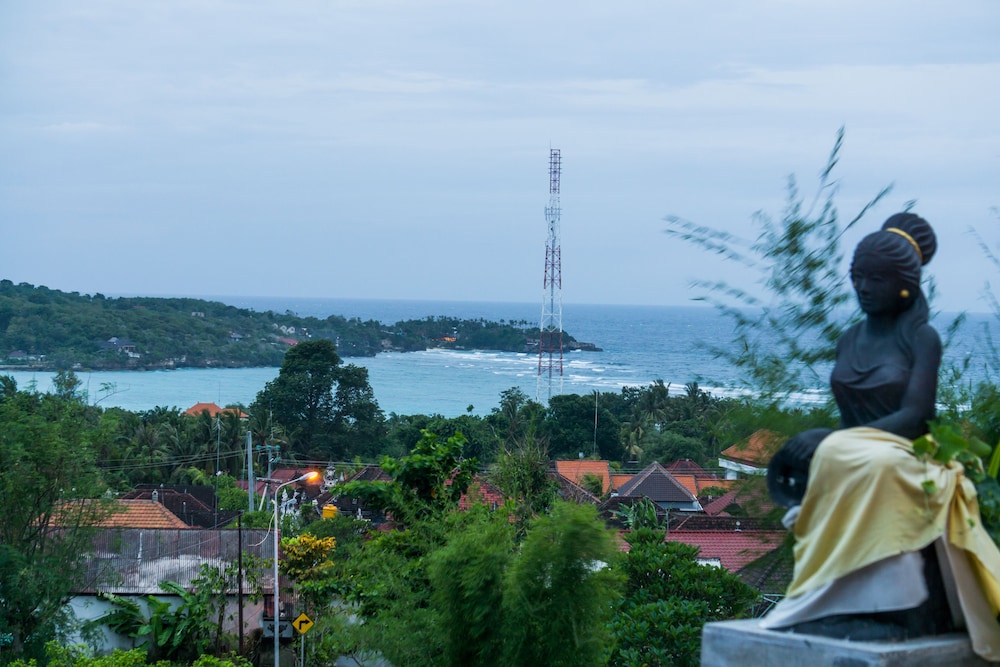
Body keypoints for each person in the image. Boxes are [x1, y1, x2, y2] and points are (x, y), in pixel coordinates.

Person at [761, 213, 1000, 662]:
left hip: (906, 450)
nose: (864, 288)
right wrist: (825, 437)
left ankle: (893, 603)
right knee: (836, 457)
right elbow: (844, 421)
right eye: (858, 277)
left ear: (905, 284)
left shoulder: (921, 338)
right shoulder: (850, 338)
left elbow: (916, 415)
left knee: (875, 465)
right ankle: (830, 596)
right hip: (852, 449)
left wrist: (833, 441)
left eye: (877, 279)